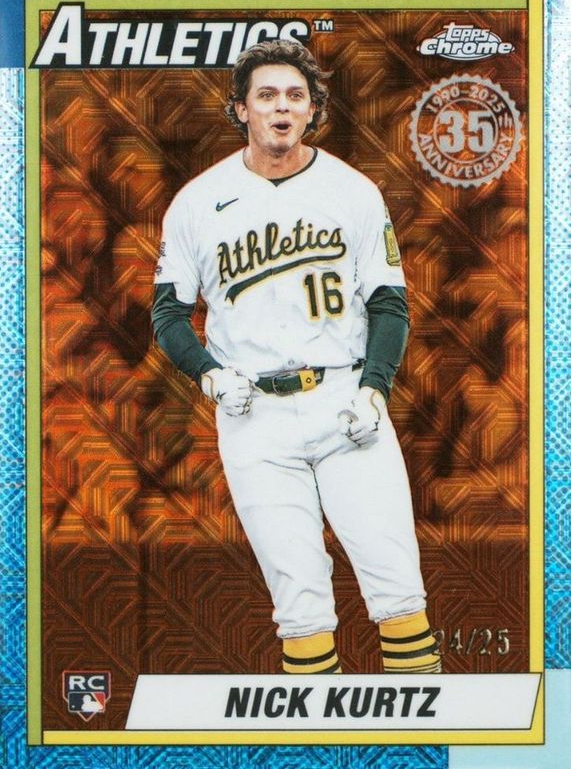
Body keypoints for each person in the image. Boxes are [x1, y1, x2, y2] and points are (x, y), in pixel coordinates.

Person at [152, 39, 441, 675]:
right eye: (266, 95)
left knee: (396, 585)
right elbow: (168, 315)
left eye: (294, 95)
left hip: (344, 401)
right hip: (252, 412)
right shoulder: (198, 201)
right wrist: (209, 375)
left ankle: (422, 722)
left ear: (313, 109)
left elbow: (389, 304)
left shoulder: (353, 191)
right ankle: (316, 726)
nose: (281, 107)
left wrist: (375, 389)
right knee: (300, 605)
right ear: (241, 109)